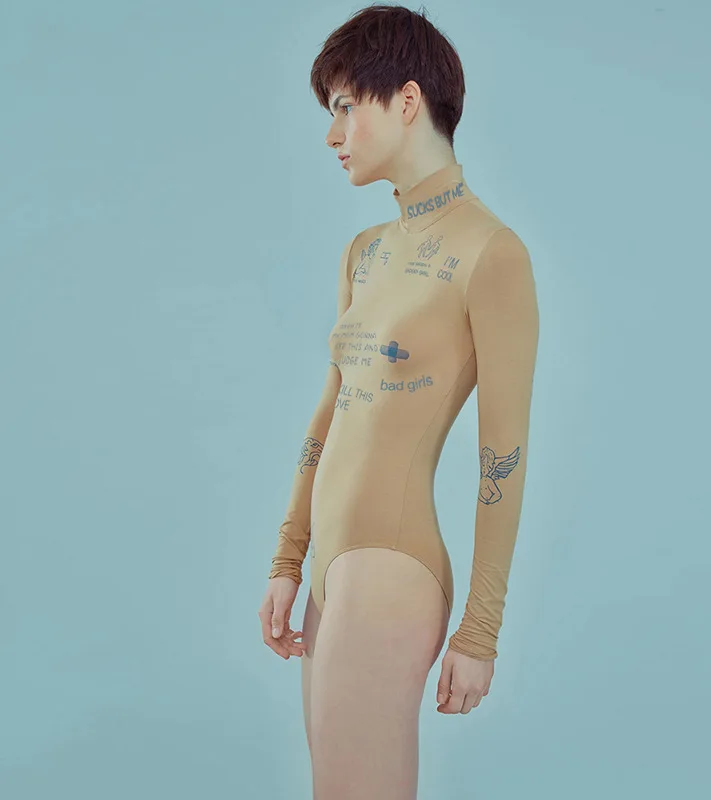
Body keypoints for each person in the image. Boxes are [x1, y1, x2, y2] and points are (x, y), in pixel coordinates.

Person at [257, 5, 539, 798]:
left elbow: (503, 455)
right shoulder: (365, 254)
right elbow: (329, 415)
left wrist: (480, 630)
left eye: (346, 106)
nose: (332, 133)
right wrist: (288, 560)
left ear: (407, 99)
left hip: (391, 566)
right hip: (333, 570)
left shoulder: (491, 252)